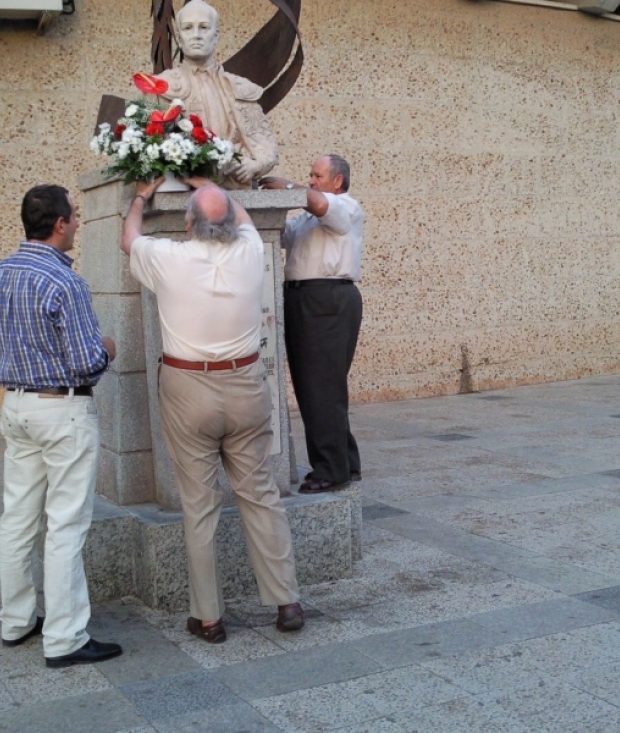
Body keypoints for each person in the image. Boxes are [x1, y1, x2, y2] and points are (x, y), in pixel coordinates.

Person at [122, 176, 304, 643]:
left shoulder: (169, 257)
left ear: (188, 224)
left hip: (189, 386)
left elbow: (129, 240)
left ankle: (209, 617)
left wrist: (143, 196)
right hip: (245, 384)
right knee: (260, 494)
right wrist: (210, 183)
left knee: (199, 506)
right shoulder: (248, 252)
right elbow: (242, 217)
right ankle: (287, 601)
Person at [0, 184, 124, 669]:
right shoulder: (65, 282)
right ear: (59, 224)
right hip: (61, 409)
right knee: (65, 524)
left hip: (16, 405)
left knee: (17, 517)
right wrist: (107, 347)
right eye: (75, 217)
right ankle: (64, 637)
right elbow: (85, 362)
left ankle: (16, 620)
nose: (78, 224)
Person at [259, 156, 364, 494]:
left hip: (326, 298)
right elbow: (283, 234)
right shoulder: (307, 217)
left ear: (337, 181)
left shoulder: (344, 206)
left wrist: (288, 187)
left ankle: (332, 471)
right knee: (319, 386)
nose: (312, 180)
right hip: (304, 298)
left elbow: (318, 203)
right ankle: (346, 461)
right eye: (310, 175)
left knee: (321, 387)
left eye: (318, 175)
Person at [156, 0, 278, 189]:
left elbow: (263, 142)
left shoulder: (239, 87)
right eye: (188, 28)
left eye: (204, 27)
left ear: (216, 35)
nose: (196, 35)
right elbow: (155, 145)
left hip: (237, 190)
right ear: (179, 38)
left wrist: (256, 164)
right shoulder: (164, 86)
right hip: (186, 192)